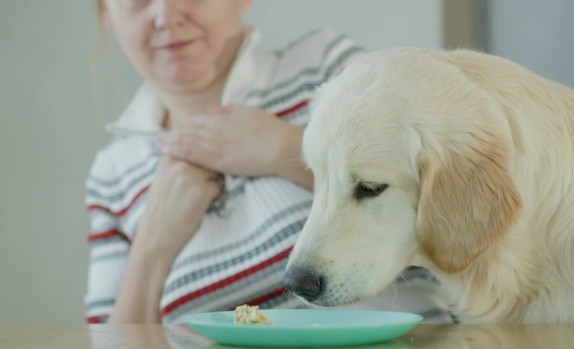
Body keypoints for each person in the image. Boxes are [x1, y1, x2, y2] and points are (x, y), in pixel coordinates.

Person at [85, 0, 455, 324]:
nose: (166, 15)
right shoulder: (112, 175)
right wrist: (152, 245)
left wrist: (279, 149)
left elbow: (458, 211)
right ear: (107, 13)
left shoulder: (324, 69)